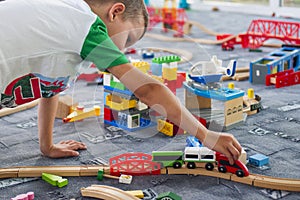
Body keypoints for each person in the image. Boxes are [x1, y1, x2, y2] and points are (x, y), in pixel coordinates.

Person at [0, 0, 241, 164]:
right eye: (128, 39)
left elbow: (49, 89)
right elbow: (148, 90)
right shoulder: (85, 26)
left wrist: (47, 146)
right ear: (115, 12)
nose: (124, 51)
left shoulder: (62, 32)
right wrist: (206, 135)